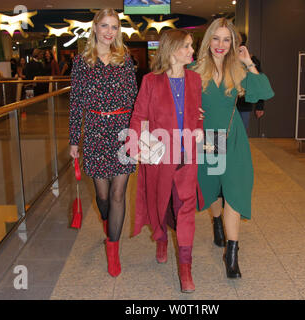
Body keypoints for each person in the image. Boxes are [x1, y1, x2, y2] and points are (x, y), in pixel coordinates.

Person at [191, 18, 274, 278]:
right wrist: (191, 111)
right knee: (213, 188)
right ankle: (217, 221)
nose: (221, 45)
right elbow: (176, 102)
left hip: (232, 135)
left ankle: (232, 254)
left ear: (234, 44)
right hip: (208, 138)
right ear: (208, 40)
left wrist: (249, 61)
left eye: (227, 40)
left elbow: (264, 91)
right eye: (216, 38)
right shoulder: (193, 69)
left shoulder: (238, 69)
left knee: (235, 191)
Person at [127, 29, 203, 293]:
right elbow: (138, 116)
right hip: (159, 156)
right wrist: (135, 144)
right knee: (160, 202)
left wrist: (200, 127)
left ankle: (185, 268)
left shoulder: (195, 79)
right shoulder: (151, 81)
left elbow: (197, 114)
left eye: (191, 46)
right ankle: (161, 238)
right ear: (172, 51)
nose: (192, 51)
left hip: (187, 157)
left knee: (185, 209)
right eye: (187, 47)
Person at [69, 9, 138, 278]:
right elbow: (76, 103)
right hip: (96, 131)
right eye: (105, 26)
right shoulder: (81, 62)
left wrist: (138, 133)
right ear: (95, 28)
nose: (110, 32)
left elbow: (134, 100)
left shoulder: (125, 59)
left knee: (119, 194)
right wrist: (74, 139)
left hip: (122, 132)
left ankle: (113, 249)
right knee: (104, 197)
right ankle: (108, 222)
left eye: (115, 27)